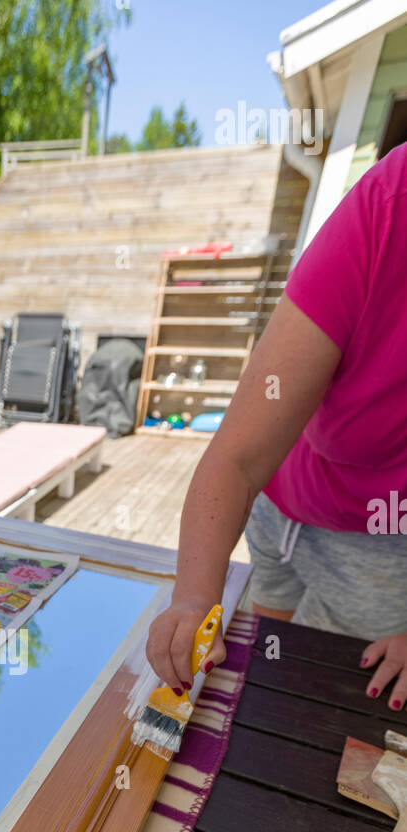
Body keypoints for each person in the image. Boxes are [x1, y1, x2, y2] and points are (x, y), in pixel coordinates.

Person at [146, 141, 407, 713]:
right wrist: (193, 599)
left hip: (383, 545)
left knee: (324, 707)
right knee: (264, 674)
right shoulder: (390, 203)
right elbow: (236, 457)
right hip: (279, 504)